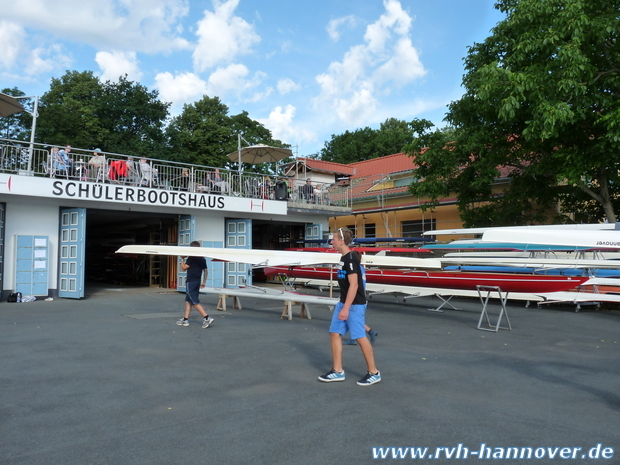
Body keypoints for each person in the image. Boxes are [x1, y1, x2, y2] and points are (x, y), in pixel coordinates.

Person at [318, 227, 381, 386]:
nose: (331, 242)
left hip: (354, 305)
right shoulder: (343, 258)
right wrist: (343, 305)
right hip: (344, 302)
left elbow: (354, 286)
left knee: (360, 336)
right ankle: (338, 371)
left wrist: (346, 308)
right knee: (334, 333)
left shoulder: (351, 259)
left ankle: (374, 372)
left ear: (341, 241)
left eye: (333, 239)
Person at [176, 240, 214, 329]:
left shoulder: (191, 258)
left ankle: (207, 317)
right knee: (188, 300)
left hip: (191, 281)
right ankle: (185, 319)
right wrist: (204, 281)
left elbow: (183, 268)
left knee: (194, 301)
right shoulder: (202, 258)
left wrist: (182, 259)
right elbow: (205, 271)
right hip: (197, 281)